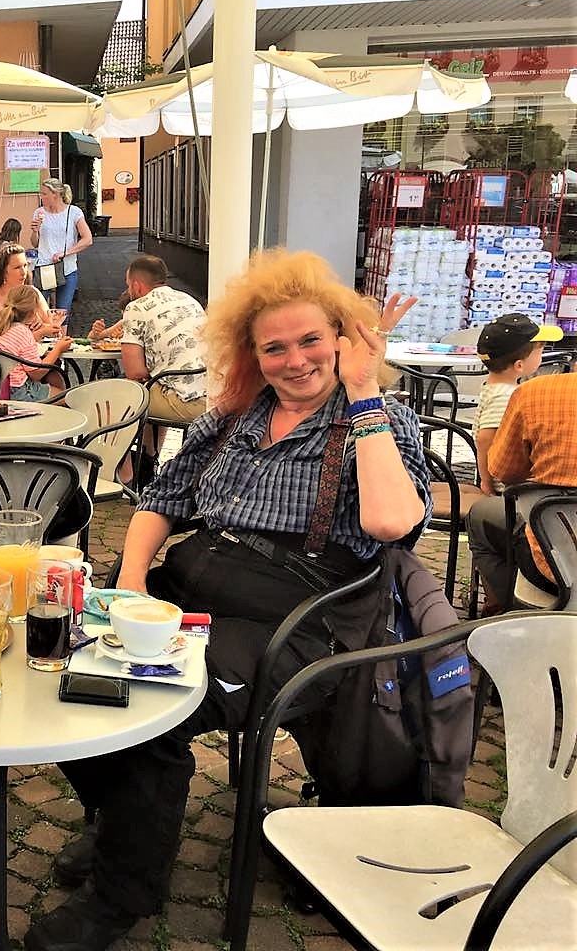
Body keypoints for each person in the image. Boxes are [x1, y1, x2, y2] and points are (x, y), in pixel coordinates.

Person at [25, 251, 430, 951]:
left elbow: (393, 524)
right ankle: (120, 814)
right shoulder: (234, 416)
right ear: (253, 354)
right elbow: (162, 498)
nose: (295, 361)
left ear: (343, 338)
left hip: (295, 620)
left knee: (149, 705)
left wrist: (363, 391)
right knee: (61, 664)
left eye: (311, 340)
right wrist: (132, 579)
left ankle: (120, 896)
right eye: (275, 347)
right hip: (190, 588)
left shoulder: (378, 420)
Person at [466, 370, 577, 612]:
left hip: (552, 570)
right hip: (554, 557)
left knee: (479, 516)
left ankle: (506, 613)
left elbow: (504, 471)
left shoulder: (536, 393)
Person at [469, 313, 560, 498]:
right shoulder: (505, 396)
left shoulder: (494, 388)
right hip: (509, 488)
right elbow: (485, 439)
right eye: (540, 351)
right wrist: (486, 482)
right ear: (519, 365)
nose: (542, 355)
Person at [119, 255, 209, 424]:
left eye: (128, 285)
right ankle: (151, 443)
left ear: (136, 286)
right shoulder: (189, 300)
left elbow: (135, 373)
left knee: (120, 395)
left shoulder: (136, 307)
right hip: (213, 395)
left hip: (186, 401)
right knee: (156, 386)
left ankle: (108, 442)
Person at [0, 284, 72, 401]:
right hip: (18, 391)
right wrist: (58, 349)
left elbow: (17, 345)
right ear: (33, 312)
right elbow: (36, 373)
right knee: (67, 397)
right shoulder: (23, 331)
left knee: (52, 375)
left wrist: (40, 332)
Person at [28, 178, 92, 318]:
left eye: (44, 194)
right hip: (44, 267)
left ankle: (62, 332)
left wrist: (65, 252)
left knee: (62, 313)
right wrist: (34, 231)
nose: (41, 197)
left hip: (66, 268)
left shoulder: (73, 212)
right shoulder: (39, 212)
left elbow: (87, 239)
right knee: (37, 312)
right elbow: (35, 243)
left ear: (55, 194)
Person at [0, 244, 60, 339]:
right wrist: (10, 329)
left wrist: (41, 326)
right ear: (3, 271)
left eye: (25, 266)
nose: (23, 272)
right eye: (17, 267)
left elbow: (53, 329)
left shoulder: (33, 293)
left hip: (30, 347)